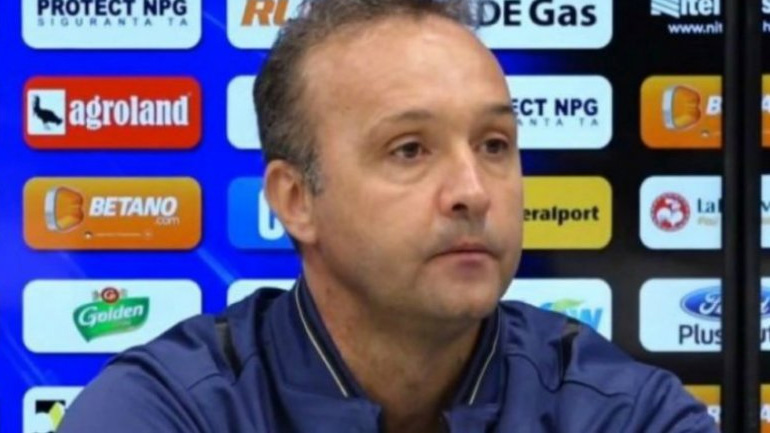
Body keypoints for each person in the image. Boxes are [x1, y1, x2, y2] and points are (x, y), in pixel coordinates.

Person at [58, 0, 718, 431]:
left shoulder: (622, 412)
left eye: (494, 145)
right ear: (295, 200)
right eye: (409, 150)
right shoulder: (167, 410)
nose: (472, 191)